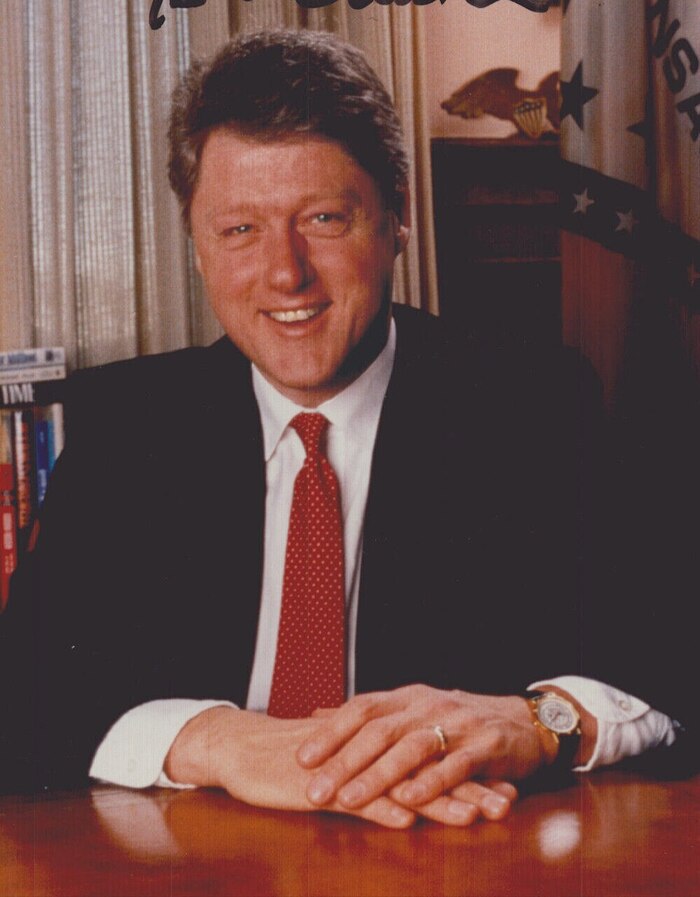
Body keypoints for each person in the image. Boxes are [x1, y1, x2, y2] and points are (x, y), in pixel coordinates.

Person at [0, 29, 685, 828]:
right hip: (195, 866)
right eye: (239, 230)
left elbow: (672, 669)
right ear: (197, 246)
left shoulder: (532, 405)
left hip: (447, 861)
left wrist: (538, 721)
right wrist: (211, 739)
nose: (285, 273)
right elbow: (21, 700)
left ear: (397, 217)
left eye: (324, 218)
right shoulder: (130, 425)